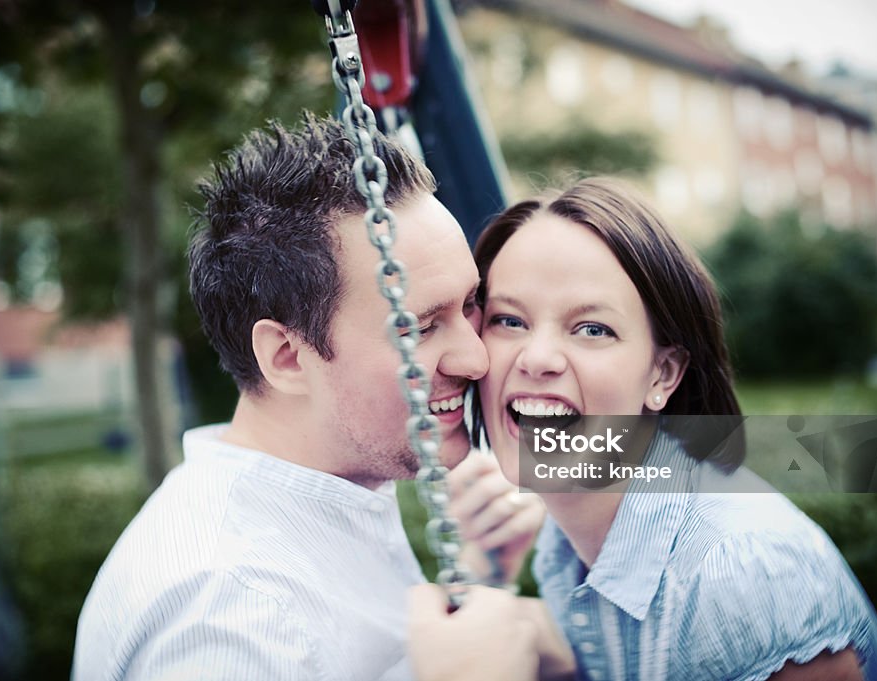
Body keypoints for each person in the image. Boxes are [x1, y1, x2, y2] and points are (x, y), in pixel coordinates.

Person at [72, 113, 544, 680]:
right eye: (418, 327)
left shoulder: (332, 487)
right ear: (288, 357)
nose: (477, 357)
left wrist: (477, 578)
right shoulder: (230, 617)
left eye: (470, 303)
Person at [461, 177, 877, 680]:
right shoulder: (565, 543)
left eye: (592, 329)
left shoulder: (742, 572)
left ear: (663, 373)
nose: (537, 358)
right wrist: (488, 576)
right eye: (508, 320)